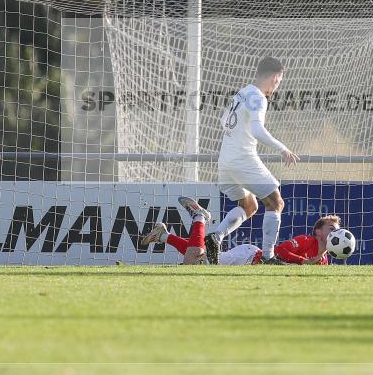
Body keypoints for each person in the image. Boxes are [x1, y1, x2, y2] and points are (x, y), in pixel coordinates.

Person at [205, 56, 300, 264]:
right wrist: (283, 149)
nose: (277, 86)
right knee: (276, 202)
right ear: (275, 77)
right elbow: (257, 130)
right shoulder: (258, 97)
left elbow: (224, 121)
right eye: (279, 81)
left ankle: (215, 236)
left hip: (225, 160)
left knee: (249, 206)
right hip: (242, 159)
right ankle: (268, 257)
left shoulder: (242, 92)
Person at [143, 205, 341, 266]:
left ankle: (164, 236)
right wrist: (303, 261)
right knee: (197, 261)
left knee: (197, 259)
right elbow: (279, 251)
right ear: (318, 231)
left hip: (249, 260)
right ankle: (199, 218)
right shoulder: (306, 241)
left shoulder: (323, 262)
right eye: (331, 228)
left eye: (336, 230)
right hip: (247, 257)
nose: (334, 232)